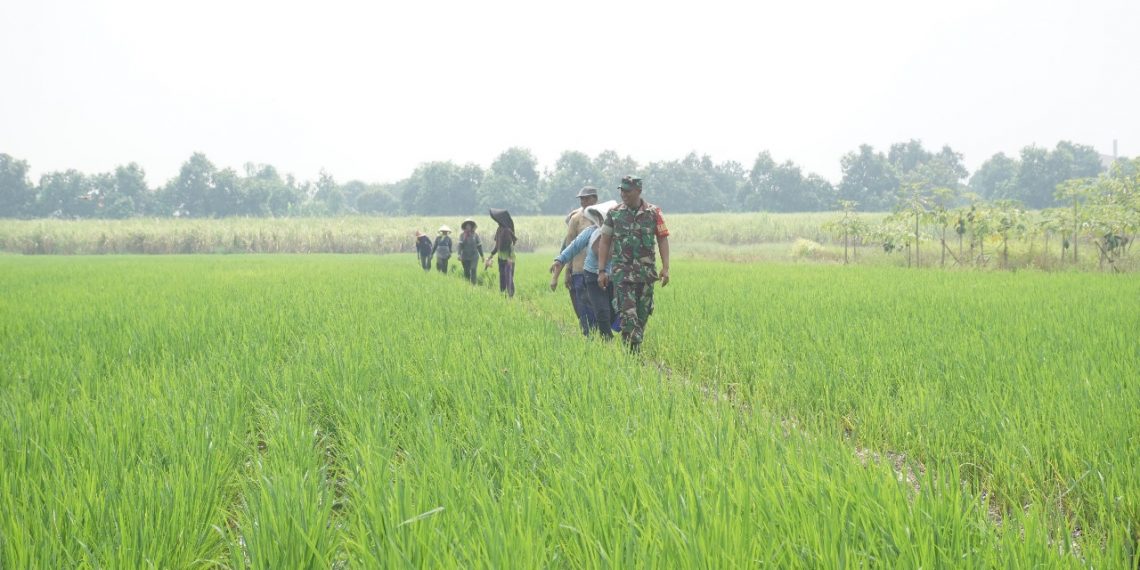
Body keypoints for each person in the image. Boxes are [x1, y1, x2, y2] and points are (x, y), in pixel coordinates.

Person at [597, 176, 670, 353]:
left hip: (646, 275)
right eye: (621, 190)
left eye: (627, 191)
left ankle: (632, 349)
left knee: (642, 316)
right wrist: (601, 271)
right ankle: (633, 356)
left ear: (638, 191)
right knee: (628, 317)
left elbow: (662, 239)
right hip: (622, 276)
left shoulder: (654, 213)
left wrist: (665, 268)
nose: (623, 194)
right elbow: (605, 241)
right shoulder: (614, 214)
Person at [550, 200, 618, 339]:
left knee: (612, 312)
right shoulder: (591, 232)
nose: (600, 220)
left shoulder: (618, 234)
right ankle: (607, 340)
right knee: (601, 309)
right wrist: (560, 260)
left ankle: (608, 330)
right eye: (597, 218)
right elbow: (574, 246)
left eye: (602, 218)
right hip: (592, 275)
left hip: (613, 277)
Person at [561, 186, 600, 335]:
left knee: (600, 306)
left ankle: (600, 335)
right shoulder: (576, 219)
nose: (583, 201)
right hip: (579, 270)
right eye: (581, 199)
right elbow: (570, 246)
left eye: (586, 198)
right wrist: (567, 271)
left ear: (595, 199)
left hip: (599, 270)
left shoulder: (603, 216)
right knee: (583, 306)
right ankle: (588, 335)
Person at [484, 208, 516, 297]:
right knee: (502, 277)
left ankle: (510, 296)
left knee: (509, 278)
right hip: (501, 258)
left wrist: (510, 258)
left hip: (509, 259)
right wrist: (491, 255)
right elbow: (497, 245)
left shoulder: (507, 231)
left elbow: (510, 245)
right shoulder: (499, 229)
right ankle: (502, 295)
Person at [457, 218, 485, 284]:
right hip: (465, 256)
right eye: (467, 225)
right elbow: (460, 245)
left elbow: (479, 246)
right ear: (465, 227)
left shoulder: (475, 235)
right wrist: (459, 254)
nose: (468, 227)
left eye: (469, 225)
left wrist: (482, 256)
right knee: (466, 271)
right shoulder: (462, 235)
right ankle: (467, 285)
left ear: (472, 226)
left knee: (473, 269)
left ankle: (473, 285)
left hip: (474, 256)